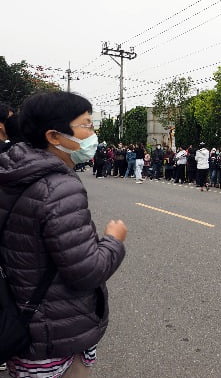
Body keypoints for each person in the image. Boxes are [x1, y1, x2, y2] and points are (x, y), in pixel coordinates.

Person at [0, 91, 126, 377]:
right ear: (54, 136)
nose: (93, 132)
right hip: (54, 334)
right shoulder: (58, 187)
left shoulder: (12, 171)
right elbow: (86, 271)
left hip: (22, 321)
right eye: (87, 124)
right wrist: (113, 240)